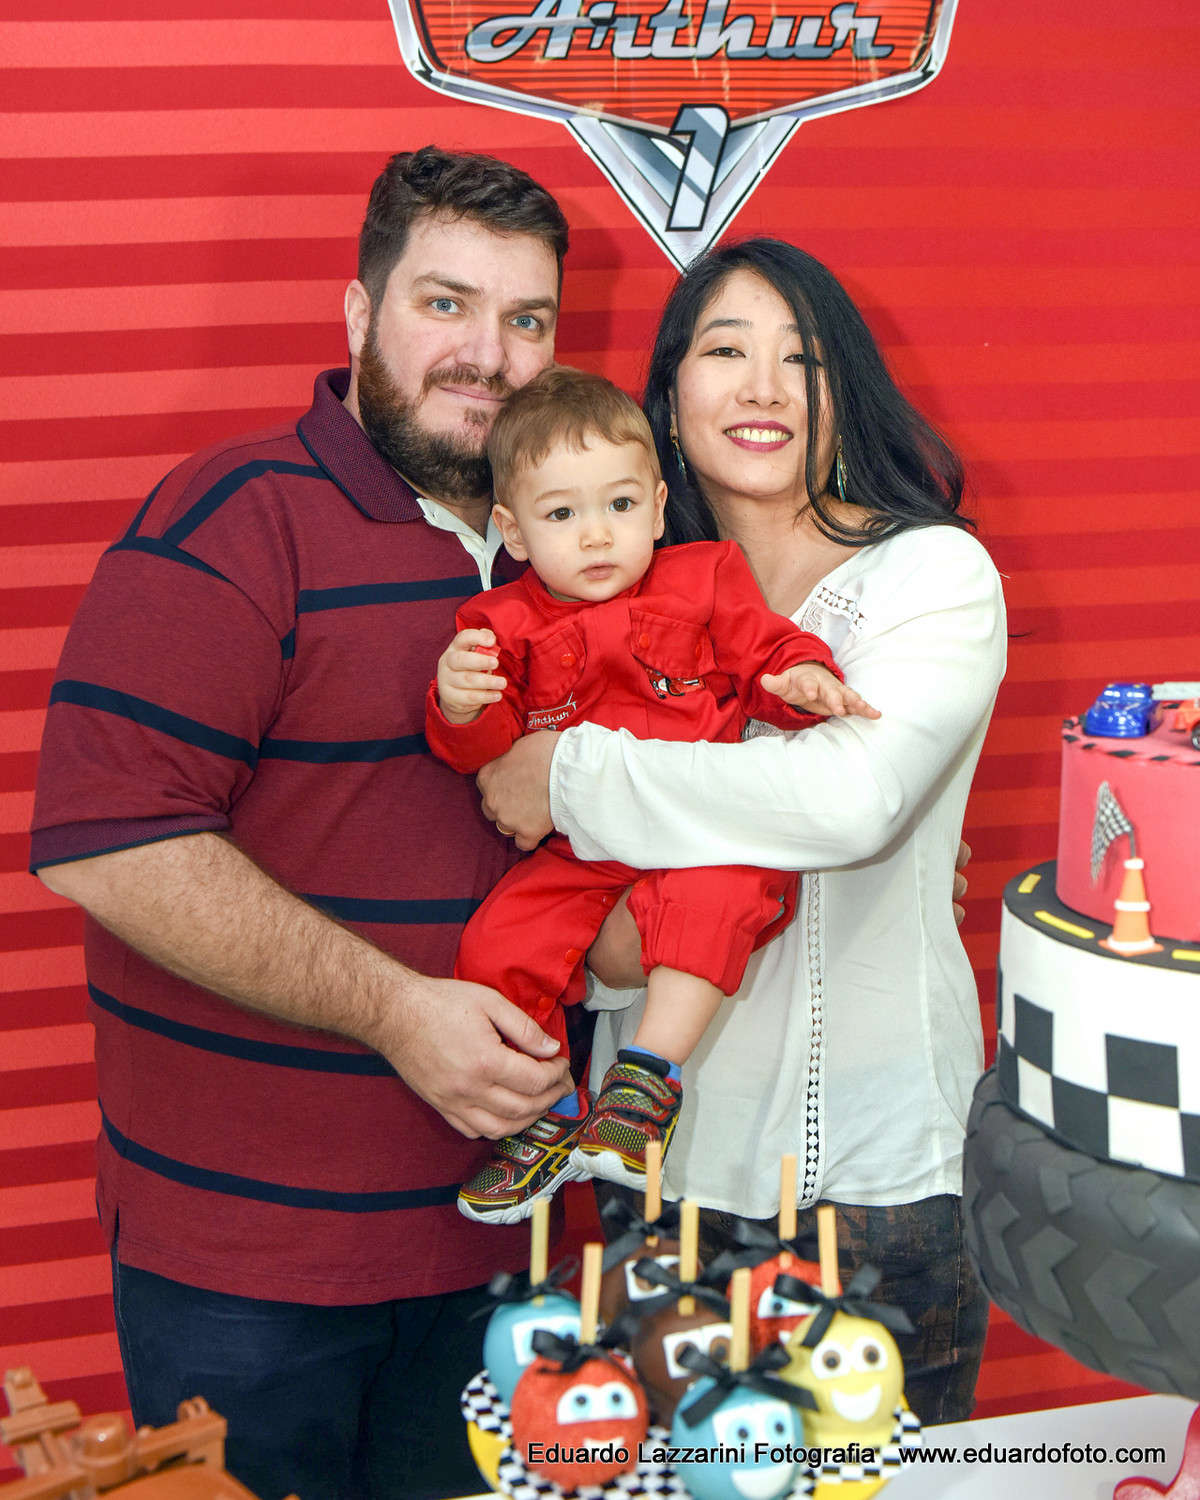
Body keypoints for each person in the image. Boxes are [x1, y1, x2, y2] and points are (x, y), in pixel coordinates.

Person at [29, 146, 577, 1500]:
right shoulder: (234, 521)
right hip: (251, 1273)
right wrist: (399, 1013)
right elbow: (111, 842)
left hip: (510, 1252)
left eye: (526, 319)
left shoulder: (583, 544)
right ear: (359, 314)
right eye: (445, 305)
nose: (489, 356)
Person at [471, 238, 1008, 1426]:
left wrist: (569, 772)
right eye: (725, 351)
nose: (764, 385)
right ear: (669, 395)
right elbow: (597, 929)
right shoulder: (586, 586)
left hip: (877, 1184)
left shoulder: (930, 576)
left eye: (800, 358)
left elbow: (853, 801)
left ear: (842, 391)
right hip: (655, 1176)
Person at [425, 366, 879, 1224]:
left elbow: (765, 649)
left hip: (698, 833)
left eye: (622, 505)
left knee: (721, 895)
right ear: (513, 531)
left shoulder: (704, 577)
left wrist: (802, 677)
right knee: (497, 941)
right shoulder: (498, 624)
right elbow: (487, 761)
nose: (598, 535)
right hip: (579, 853)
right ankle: (549, 1109)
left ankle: (644, 1082)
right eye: (562, 515)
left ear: (660, 507)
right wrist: (459, 703)